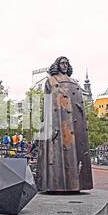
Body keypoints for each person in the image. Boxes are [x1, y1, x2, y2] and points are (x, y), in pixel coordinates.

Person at [36, 56, 93, 192]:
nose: (65, 65)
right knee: (58, 153)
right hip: (58, 118)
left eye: (67, 63)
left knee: (75, 151)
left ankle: (76, 184)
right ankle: (57, 184)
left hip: (74, 121)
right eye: (62, 63)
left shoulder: (73, 82)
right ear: (57, 65)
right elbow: (48, 102)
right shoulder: (51, 81)